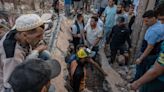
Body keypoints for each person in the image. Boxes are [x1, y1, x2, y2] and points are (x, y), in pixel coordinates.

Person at [0, 14, 47, 91]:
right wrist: (35, 51)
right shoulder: (13, 56)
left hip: (16, 69)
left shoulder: (17, 31)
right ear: (24, 35)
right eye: (38, 36)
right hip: (8, 86)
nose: (41, 38)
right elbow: (13, 83)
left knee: (44, 55)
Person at [130, 3, 164, 92]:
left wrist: (141, 58)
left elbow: (150, 47)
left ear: (153, 18)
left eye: (147, 21)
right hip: (153, 55)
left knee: (141, 69)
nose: (145, 23)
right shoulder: (158, 26)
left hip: (149, 56)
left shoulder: (154, 31)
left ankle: (137, 82)